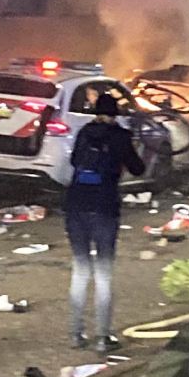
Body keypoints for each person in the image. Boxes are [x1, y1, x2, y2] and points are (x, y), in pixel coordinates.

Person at [66, 92, 145, 353]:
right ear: (115, 114)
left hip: (76, 205)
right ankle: (102, 337)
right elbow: (138, 168)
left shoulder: (84, 132)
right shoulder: (120, 136)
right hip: (104, 207)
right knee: (103, 274)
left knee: (80, 270)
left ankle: (76, 334)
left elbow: (74, 161)